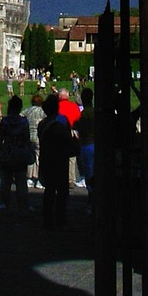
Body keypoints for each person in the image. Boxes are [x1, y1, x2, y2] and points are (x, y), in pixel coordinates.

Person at [37, 95, 75, 230]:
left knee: (50, 190)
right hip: (60, 158)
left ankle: (47, 218)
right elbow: (68, 139)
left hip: (47, 158)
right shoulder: (63, 121)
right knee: (62, 191)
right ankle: (60, 218)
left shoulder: (42, 124)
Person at [0, 95, 33, 212]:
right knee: (21, 181)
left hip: (7, 151)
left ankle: (5, 204)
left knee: (5, 181)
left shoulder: (5, 121)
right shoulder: (23, 122)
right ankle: (22, 205)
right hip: (20, 151)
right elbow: (27, 138)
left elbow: (0, 137)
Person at [22, 93, 46, 189]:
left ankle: (29, 178)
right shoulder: (43, 112)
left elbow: (21, 116)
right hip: (39, 137)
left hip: (28, 136)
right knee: (40, 158)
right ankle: (39, 180)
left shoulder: (27, 111)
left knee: (30, 158)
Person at [75, 87, 96, 198]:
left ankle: (91, 197)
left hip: (87, 144)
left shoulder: (83, 114)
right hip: (95, 143)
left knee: (89, 172)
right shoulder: (95, 112)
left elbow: (80, 128)